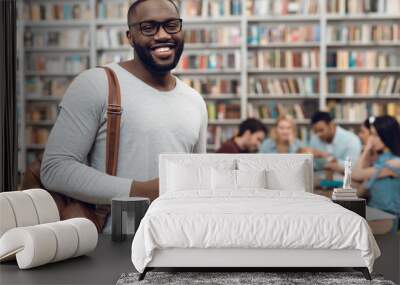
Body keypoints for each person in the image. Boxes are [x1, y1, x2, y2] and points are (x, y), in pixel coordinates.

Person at [40, 0, 208, 232]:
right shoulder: (95, 84)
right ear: (130, 37)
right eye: (148, 27)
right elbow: (55, 169)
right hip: (110, 245)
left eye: (171, 25)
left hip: (178, 240)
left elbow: (196, 181)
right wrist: (141, 191)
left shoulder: (195, 101)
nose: (162, 35)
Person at [353, 115, 400, 223]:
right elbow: (360, 190)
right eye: (371, 135)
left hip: (388, 217)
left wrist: (366, 149)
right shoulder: (381, 159)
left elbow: (356, 174)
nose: (371, 139)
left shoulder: (395, 163)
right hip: (374, 211)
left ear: (386, 135)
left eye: (375, 135)